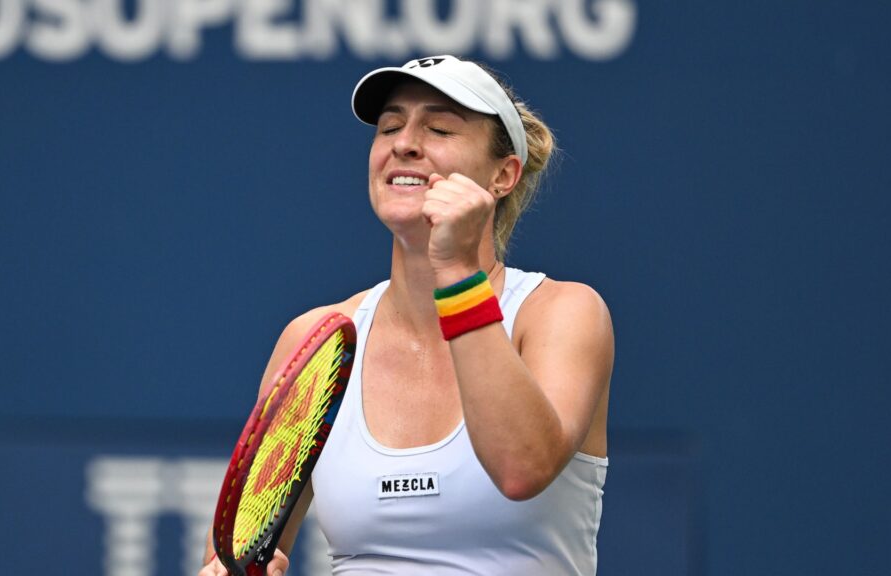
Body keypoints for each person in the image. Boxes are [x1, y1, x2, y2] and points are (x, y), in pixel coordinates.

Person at [200, 55, 613, 576]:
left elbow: (520, 468)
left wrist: (457, 270)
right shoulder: (317, 339)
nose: (404, 143)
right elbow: (234, 554)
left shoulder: (562, 313)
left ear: (503, 175)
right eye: (390, 127)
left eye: (439, 128)